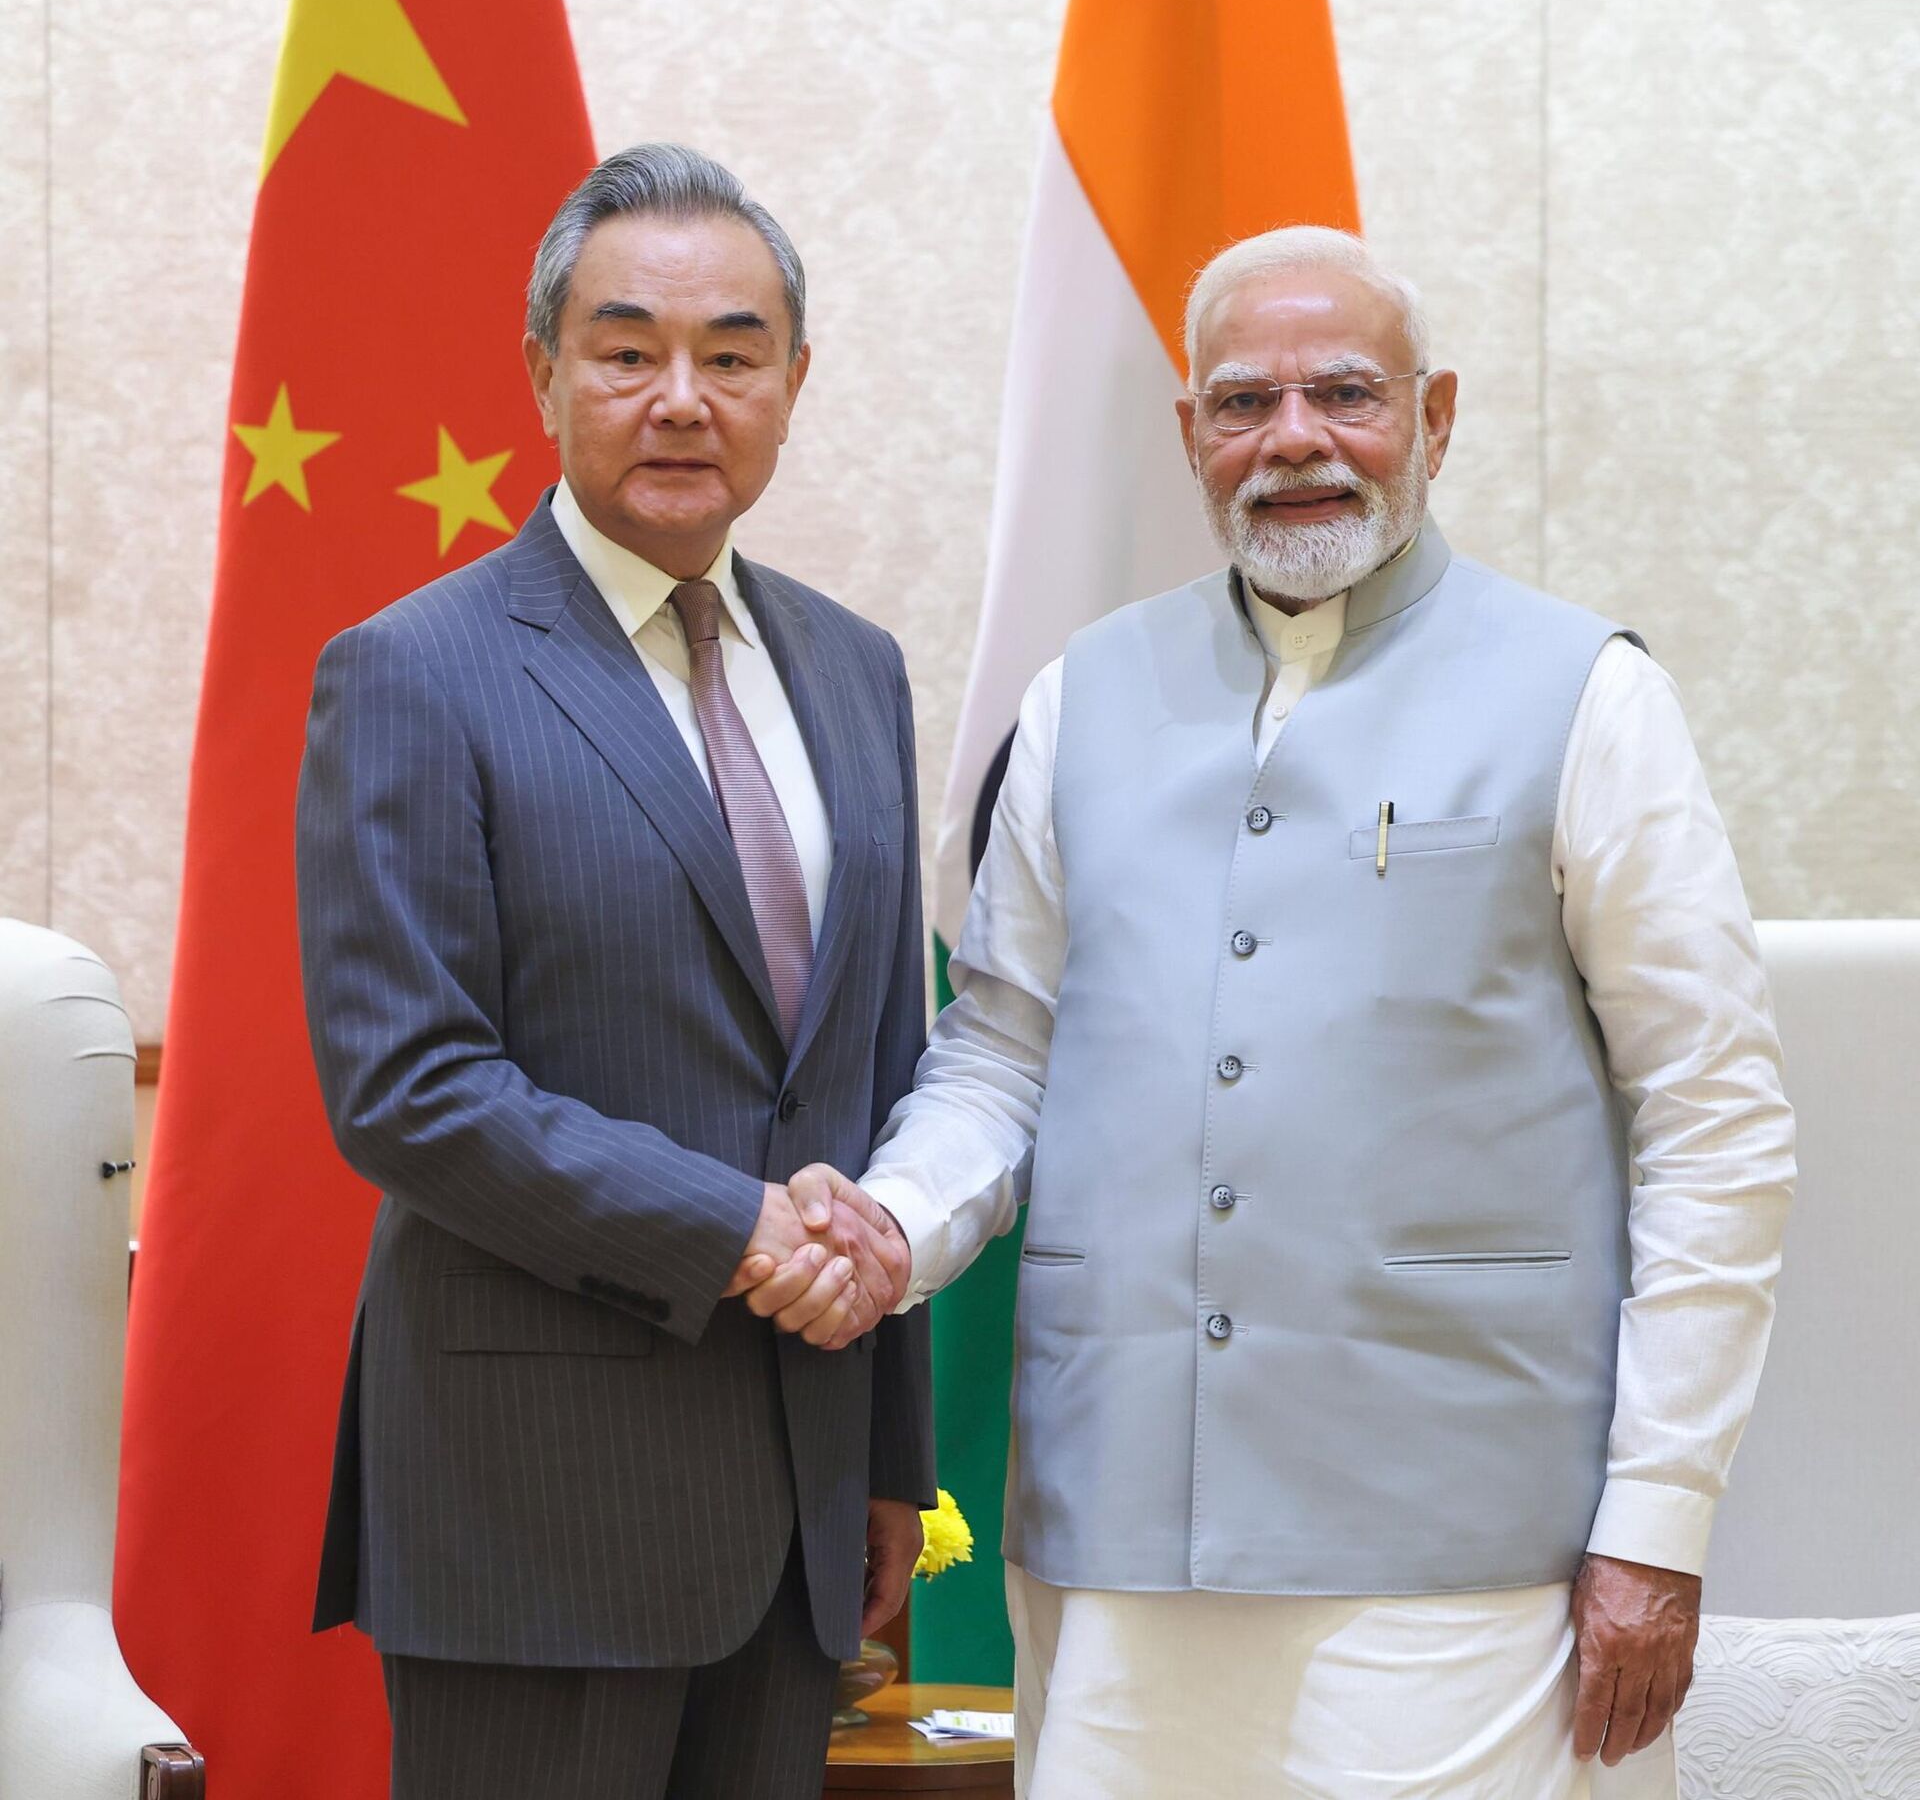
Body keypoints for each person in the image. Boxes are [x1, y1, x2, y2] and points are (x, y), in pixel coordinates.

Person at [750, 228, 1796, 1799]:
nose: (1294, 438)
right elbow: (1003, 1053)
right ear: (1191, 435)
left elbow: (1717, 1120)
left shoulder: (1589, 694)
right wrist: (895, 1225)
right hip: (1116, 1536)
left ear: (1435, 417)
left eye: (1346, 394)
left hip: (1464, 1554)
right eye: (1245, 402)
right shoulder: (1080, 696)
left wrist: (1660, 1519)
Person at [294, 142, 925, 1800]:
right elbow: (409, 1088)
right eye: (628, 350)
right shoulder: (416, 672)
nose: (681, 400)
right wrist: (734, 1229)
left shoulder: (858, 672)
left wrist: (888, 1458)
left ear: (794, 384)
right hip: (537, 1513)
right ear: (544, 375)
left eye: (732, 355)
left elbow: (879, 1078)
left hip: (800, 1507)